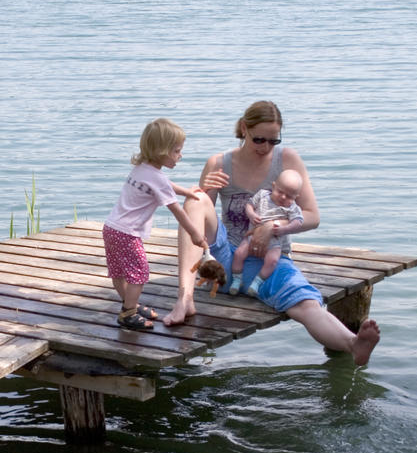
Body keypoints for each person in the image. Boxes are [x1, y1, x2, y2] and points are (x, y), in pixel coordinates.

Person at [163, 101, 380, 365]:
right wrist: (203, 191)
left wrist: (271, 227)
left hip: (269, 260)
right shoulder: (219, 163)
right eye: (259, 139)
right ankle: (184, 299)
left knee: (306, 302)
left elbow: (312, 216)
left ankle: (353, 344)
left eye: (273, 141)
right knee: (195, 201)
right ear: (244, 128)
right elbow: (197, 221)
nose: (265, 147)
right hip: (225, 258)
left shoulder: (287, 161)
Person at [103, 118, 207, 330]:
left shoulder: (142, 168)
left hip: (111, 228)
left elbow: (164, 185)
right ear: (162, 151)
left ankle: (129, 304)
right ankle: (128, 314)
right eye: (177, 151)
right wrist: (195, 234)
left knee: (118, 272)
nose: (180, 155)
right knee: (139, 273)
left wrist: (186, 191)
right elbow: (177, 210)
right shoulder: (157, 178)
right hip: (128, 234)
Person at [228, 168, 305, 297]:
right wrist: (251, 214)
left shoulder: (292, 207)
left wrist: (284, 229)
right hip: (252, 235)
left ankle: (257, 282)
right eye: (280, 191)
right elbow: (249, 205)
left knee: (273, 260)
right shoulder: (263, 195)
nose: (283, 197)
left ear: (296, 197)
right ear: (273, 186)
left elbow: (298, 222)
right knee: (239, 253)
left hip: (275, 241)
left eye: (289, 196)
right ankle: (237, 279)